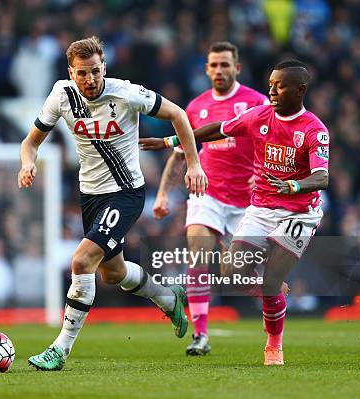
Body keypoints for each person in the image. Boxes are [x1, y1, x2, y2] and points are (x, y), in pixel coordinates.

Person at [18, 36, 208, 371]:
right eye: (82, 73)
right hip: (90, 196)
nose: (89, 80)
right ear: (70, 72)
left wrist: (193, 163)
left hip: (126, 193)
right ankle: (169, 297)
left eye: (94, 71)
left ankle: (59, 349)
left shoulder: (125, 93)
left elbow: (178, 114)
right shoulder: (61, 95)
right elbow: (30, 142)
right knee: (113, 273)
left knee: (81, 261)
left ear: (104, 67)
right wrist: (27, 162)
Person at [141, 59, 329, 366]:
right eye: (270, 84)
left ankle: (274, 344)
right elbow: (218, 130)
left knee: (269, 285)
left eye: (280, 86)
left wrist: (293, 186)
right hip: (261, 208)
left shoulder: (314, 130)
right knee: (230, 273)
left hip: (298, 214)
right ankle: (270, 288)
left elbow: (322, 177)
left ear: (300, 90)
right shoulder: (258, 116)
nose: (273, 91)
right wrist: (170, 140)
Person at [147, 42, 269, 356]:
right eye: (213, 65)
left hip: (248, 202)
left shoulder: (257, 103)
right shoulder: (195, 108)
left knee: (236, 274)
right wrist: (162, 194)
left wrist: (265, 173)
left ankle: (269, 300)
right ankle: (200, 335)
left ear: (237, 68)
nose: (219, 71)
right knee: (198, 254)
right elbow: (178, 156)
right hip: (208, 194)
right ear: (206, 69)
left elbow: (275, 145)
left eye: (225, 65)